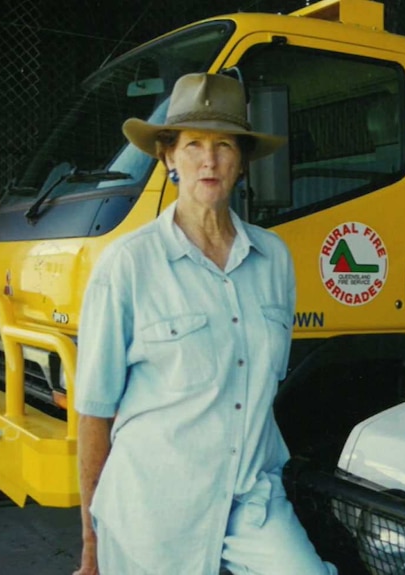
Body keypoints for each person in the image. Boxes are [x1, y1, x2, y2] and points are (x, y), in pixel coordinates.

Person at [73, 72, 337, 575]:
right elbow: (93, 415)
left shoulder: (274, 258)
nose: (209, 160)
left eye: (223, 145)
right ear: (169, 157)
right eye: (193, 144)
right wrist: (91, 546)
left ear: (241, 161)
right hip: (155, 512)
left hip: (251, 501)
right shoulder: (126, 264)